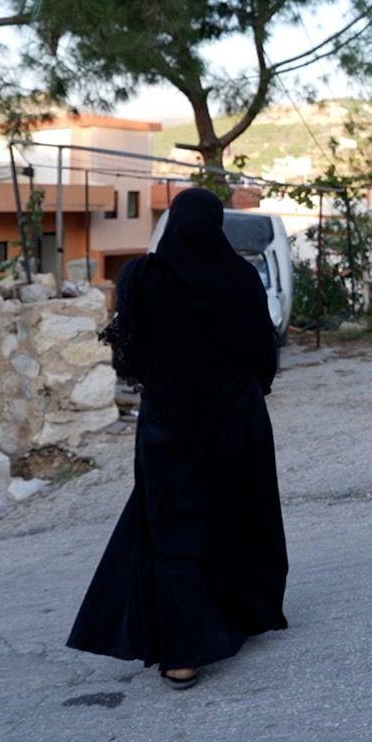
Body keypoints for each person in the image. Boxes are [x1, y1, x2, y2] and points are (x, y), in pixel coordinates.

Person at [68, 187, 288, 690]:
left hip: (169, 421)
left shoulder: (142, 277)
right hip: (235, 418)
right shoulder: (239, 278)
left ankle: (181, 654)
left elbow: (129, 354)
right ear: (216, 226)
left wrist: (168, 382)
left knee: (174, 526)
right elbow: (262, 351)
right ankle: (239, 615)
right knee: (236, 516)